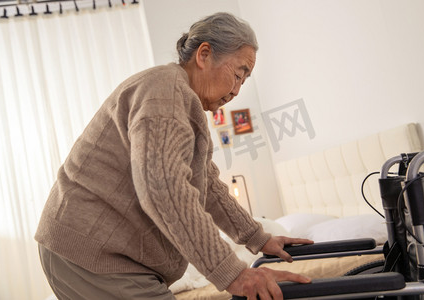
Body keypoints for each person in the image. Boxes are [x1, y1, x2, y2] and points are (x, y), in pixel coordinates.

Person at [35, 12, 313, 300]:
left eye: (244, 80)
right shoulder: (165, 93)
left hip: (104, 252)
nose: (237, 90)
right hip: (91, 250)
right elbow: (164, 188)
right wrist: (234, 273)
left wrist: (258, 238)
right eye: (237, 74)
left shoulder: (181, 98)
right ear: (204, 55)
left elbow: (207, 187)